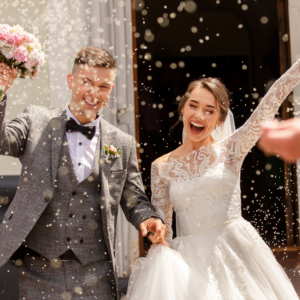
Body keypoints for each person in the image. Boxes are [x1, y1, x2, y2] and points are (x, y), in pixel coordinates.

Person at [0, 46, 165, 300]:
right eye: (87, 82)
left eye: (103, 86)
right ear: (70, 80)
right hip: (38, 270)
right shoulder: (35, 120)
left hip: (95, 273)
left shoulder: (121, 143)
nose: (94, 93)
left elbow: (133, 199)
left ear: (111, 90)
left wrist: (148, 217)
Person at [126, 59, 300, 299]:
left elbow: (270, 103)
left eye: (210, 110)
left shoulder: (232, 149)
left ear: (219, 120)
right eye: (193, 105)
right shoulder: (161, 167)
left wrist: (297, 70)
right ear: (183, 109)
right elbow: (164, 230)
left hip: (236, 254)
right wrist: (158, 239)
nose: (200, 115)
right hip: (189, 267)